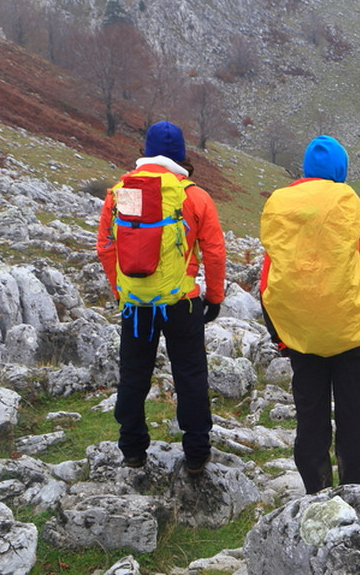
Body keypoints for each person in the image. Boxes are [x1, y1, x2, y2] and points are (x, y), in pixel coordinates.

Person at [259, 135, 360, 492]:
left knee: (310, 416)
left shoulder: (283, 208)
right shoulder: (355, 209)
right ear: (341, 170)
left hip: (302, 335)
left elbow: (269, 279)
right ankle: (352, 489)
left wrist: (279, 333)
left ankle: (316, 491)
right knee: (353, 415)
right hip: (349, 333)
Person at [96, 120, 226, 475]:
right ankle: (197, 453)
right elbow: (213, 251)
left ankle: (133, 449)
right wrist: (214, 297)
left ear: (145, 151)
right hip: (182, 302)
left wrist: (120, 289)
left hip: (136, 305)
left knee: (134, 374)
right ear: (180, 155)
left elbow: (106, 246)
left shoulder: (121, 191)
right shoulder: (194, 195)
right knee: (190, 375)